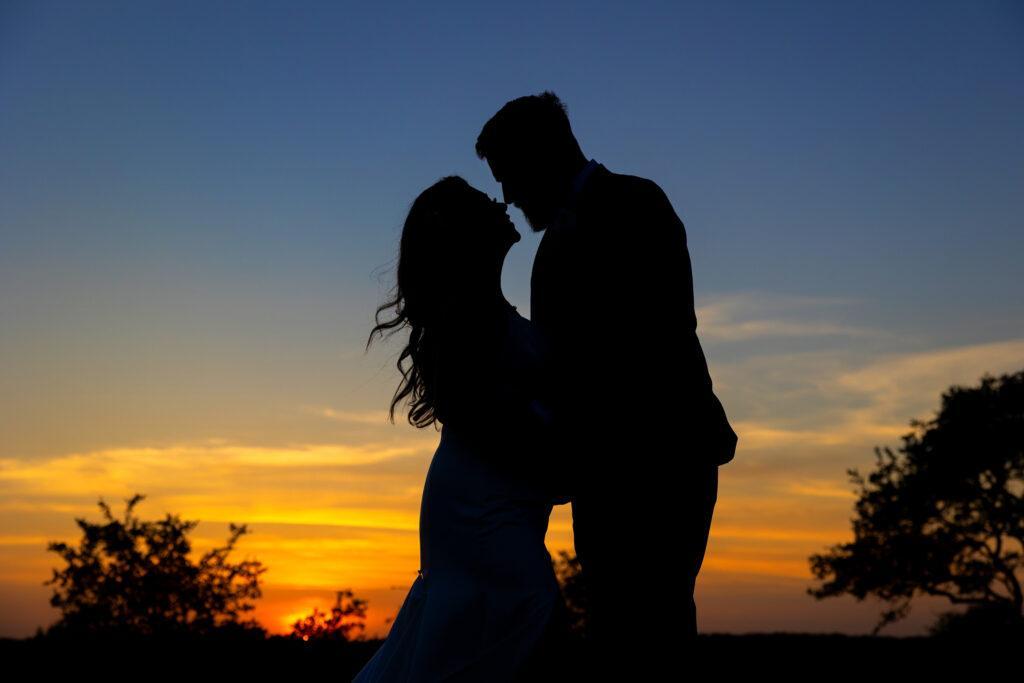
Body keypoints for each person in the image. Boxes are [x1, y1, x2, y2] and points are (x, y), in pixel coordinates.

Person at [476, 91, 739, 677]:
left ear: (544, 154)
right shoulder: (546, 254)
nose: (508, 197)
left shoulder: (637, 203)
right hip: (601, 472)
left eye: (510, 176)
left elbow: (656, 338)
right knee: (615, 628)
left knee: (655, 621)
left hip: (665, 458)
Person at [354, 176, 572, 682]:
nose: (499, 202)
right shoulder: (461, 322)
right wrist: (565, 467)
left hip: (496, 504)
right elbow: (496, 425)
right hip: (480, 512)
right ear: (464, 234)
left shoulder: (489, 312)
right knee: (523, 623)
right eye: (481, 201)